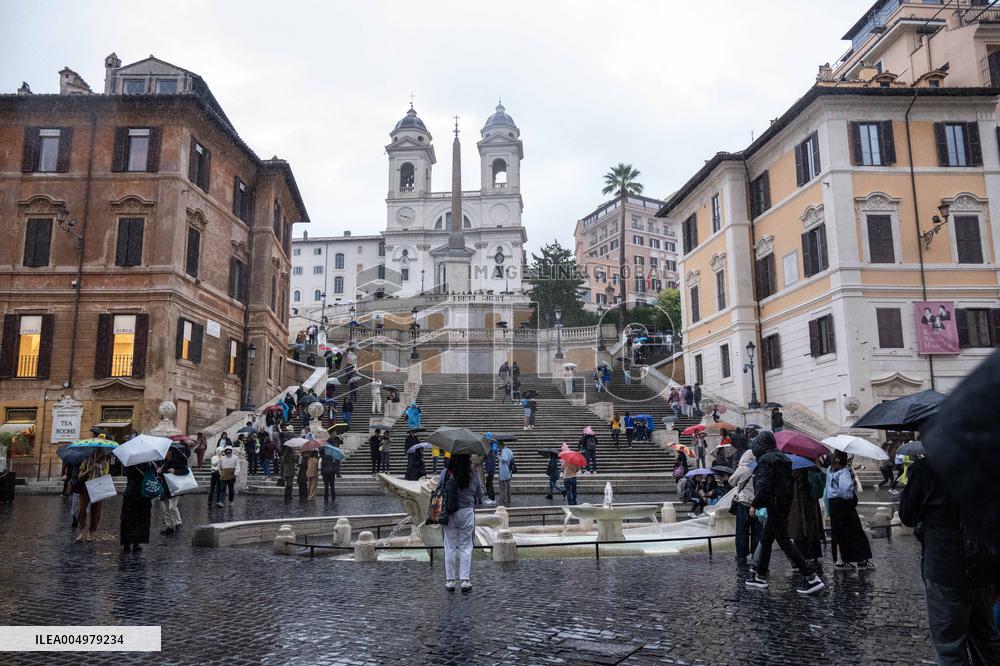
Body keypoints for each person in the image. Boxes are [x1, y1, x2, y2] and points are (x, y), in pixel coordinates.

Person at [900, 456, 1000, 664]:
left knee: (950, 647)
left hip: (945, 568)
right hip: (983, 567)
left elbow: (906, 515)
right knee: (987, 641)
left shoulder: (925, 469)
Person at [745, 431, 825, 595]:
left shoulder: (766, 461)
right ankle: (760, 577)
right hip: (783, 506)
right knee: (767, 540)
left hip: (773, 506)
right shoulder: (784, 459)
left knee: (785, 543)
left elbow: (764, 486)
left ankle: (811, 577)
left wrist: (755, 504)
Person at [437, 453, 484, 592]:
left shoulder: (446, 472)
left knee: (449, 547)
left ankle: (450, 581)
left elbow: (437, 489)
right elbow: (480, 494)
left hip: (449, 512)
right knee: (466, 547)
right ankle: (465, 580)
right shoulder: (472, 473)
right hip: (467, 512)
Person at [826, 451, 874, 569]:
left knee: (838, 532)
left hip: (833, 503)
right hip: (844, 504)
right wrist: (850, 496)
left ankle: (840, 560)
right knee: (855, 531)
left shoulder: (829, 470)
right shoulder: (844, 471)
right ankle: (861, 559)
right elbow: (844, 490)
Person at [788, 465, 826, 575]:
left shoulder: (798, 468)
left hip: (800, 503)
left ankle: (802, 557)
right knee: (813, 529)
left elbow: (795, 484)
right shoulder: (813, 466)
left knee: (800, 530)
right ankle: (814, 555)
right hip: (812, 503)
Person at [728, 449, 760, 564]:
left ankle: (741, 555)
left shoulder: (743, 469)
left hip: (744, 503)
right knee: (757, 531)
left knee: (742, 530)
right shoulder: (760, 468)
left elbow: (731, 481)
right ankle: (756, 554)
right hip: (757, 504)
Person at [75, 450, 110, 543]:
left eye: (100, 451)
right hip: (85, 487)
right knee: (82, 509)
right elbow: (80, 476)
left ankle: (91, 532)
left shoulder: (105, 464)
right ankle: (81, 532)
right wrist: (90, 469)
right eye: (97, 450)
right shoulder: (86, 461)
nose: (98, 453)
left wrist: (99, 469)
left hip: (98, 488)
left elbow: (105, 477)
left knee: (95, 511)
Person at [120, 462, 153, 553]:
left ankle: (126, 543)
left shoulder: (129, 464)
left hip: (130, 494)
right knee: (140, 520)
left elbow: (125, 473)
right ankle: (136, 543)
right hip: (142, 495)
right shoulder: (148, 465)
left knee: (128, 520)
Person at [159, 445, 188, 535]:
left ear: (171, 452)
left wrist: (175, 471)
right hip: (165, 487)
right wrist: (160, 472)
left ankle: (178, 523)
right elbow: (162, 474)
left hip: (174, 487)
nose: (166, 454)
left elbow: (186, 471)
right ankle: (169, 526)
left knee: (172, 506)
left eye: (167, 452)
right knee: (165, 508)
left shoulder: (179, 461)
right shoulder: (165, 462)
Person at [498, 440, 514, 507]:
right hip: (509, 470)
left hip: (504, 470)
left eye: (499, 446)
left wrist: (499, 457)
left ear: (501, 445)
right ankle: (509, 499)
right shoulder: (509, 450)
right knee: (508, 485)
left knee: (503, 486)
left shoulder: (504, 450)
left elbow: (504, 459)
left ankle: (504, 500)